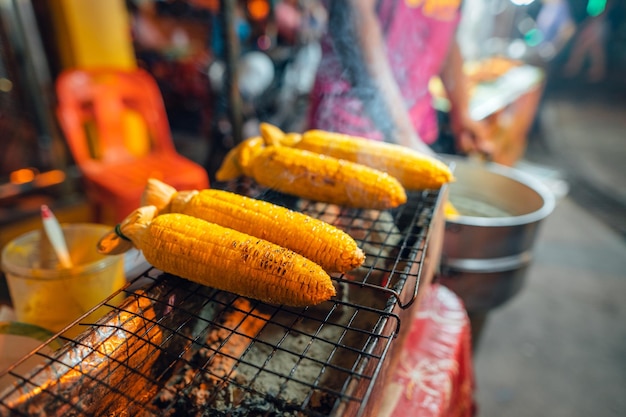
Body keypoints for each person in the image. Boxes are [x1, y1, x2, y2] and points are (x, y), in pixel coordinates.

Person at [306, 0, 491, 157]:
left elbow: (446, 29)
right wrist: (400, 132)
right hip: (353, 128)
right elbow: (357, 16)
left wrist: (461, 112)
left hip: (417, 128)